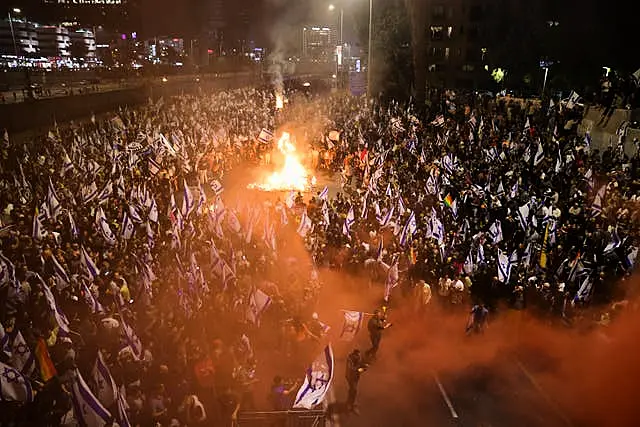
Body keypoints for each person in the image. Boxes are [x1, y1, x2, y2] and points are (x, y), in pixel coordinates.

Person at [345, 349, 367, 414]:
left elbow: (360, 364)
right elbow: (353, 369)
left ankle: (350, 403)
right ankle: (349, 405)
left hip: (355, 377)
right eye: (357, 356)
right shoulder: (350, 360)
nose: (359, 357)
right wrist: (361, 369)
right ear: (354, 355)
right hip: (350, 377)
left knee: (353, 390)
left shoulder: (357, 358)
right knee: (353, 390)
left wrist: (364, 366)